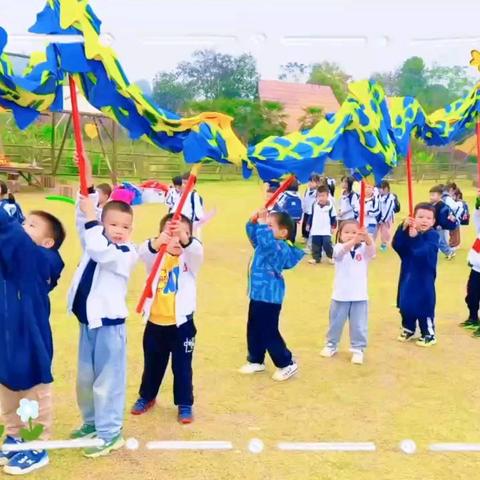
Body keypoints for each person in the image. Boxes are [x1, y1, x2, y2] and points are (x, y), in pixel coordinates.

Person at [68, 154, 138, 458]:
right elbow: (85, 224)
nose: (119, 229)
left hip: (110, 327)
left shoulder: (124, 253)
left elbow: (98, 245)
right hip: (88, 323)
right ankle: (92, 422)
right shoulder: (95, 237)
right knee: (85, 380)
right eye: (113, 223)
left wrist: (95, 218)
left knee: (108, 382)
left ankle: (110, 433)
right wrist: (87, 188)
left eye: (125, 225)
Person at [0, 208, 65, 474]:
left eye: (32, 225)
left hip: (31, 340)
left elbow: (14, 237)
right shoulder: (14, 256)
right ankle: (14, 437)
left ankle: (36, 445)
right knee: (7, 391)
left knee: (33, 394)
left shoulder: (44, 259)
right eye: (25, 222)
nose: (24, 227)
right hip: (6, 340)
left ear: (47, 242)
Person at [131, 214, 203, 423]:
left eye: (185, 234)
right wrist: (157, 242)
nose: (178, 239)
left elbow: (196, 250)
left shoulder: (190, 260)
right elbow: (142, 251)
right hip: (155, 324)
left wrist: (183, 236)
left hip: (182, 326)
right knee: (153, 363)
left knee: (182, 366)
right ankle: (147, 396)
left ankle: (185, 403)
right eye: (173, 234)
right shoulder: (156, 256)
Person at [239, 209, 304, 381]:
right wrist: (252, 222)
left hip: (270, 297)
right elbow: (256, 236)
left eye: (270, 225)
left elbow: (266, 241)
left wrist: (261, 224)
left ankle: (286, 363)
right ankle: (256, 359)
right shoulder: (265, 241)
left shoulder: (279, 247)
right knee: (253, 327)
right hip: (257, 294)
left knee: (268, 330)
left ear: (283, 233)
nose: (265, 228)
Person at [320, 220, 375, 365]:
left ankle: (358, 349)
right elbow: (338, 254)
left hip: (359, 295)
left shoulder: (364, 249)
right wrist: (352, 241)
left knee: (359, 324)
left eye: (354, 232)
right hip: (340, 294)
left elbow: (372, 251)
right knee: (335, 323)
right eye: (347, 232)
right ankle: (331, 345)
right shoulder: (338, 247)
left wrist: (366, 237)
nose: (351, 235)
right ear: (340, 234)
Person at [392, 203, 439, 346]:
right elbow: (398, 246)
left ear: (433, 221)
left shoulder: (433, 236)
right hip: (407, 274)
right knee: (406, 303)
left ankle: (428, 333)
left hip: (424, 278)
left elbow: (423, 253)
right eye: (420, 217)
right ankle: (408, 327)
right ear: (413, 218)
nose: (424, 220)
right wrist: (403, 228)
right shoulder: (410, 232)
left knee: (424, 305)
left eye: (428, 218)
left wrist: (416, 237)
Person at [461, 193, 480, 334]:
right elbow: (477, 218)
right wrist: (478, 206)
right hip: (476, 267)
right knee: (472, 294)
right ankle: (473, 318)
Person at [307, 185, 337, 264]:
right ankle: (316, 258)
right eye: (319, 196)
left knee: (327, 243)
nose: (321, 198)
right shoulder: (314, 205)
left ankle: (331, 257)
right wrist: (308, 224)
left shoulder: (331, 206)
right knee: (315, 244)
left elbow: (333, 217)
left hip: (326, 229)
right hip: (316, 229)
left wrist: (333, 227)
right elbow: (311, 215)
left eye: (323, 196)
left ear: (327, 196)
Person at [429, 185, 458, 260]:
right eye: (430, 195)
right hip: (434, 226)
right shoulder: (432, 205)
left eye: (433, 195)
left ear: (439, 196)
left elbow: (442, 217)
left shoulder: (441, 206)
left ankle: (449, 252)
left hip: (439, 226)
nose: (431, 197)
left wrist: (440, 225)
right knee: (438, 240)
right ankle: (447, 252)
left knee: (440, 241)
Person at [275, 179, 303, 243]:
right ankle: (291, 243)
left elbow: (279, 204)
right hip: (295, 218)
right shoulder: (298, 195)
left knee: (285, 232)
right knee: (293, 232)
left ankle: (285, 244)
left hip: (286, 218)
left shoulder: (284, 195)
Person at [301, 174, 321, 244]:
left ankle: (310, 238)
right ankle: (304, 236)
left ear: (317, 183)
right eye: (309, 181)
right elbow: (305, 199)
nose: (310, 183)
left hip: (312, 211)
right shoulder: (307, 190)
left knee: (309, 224)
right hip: (306, 210)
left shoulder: (318, 192)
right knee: (304, 223)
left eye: (312, 182)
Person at [378, 180, 397, 251]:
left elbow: (388, 210)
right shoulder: (379, 196)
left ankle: (384, 244)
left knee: (385, 232)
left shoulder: (390, 198)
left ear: (386, 189)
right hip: (379, 217)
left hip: (387, 219)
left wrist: (383, 219)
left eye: (380, 188)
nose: (378, 190)